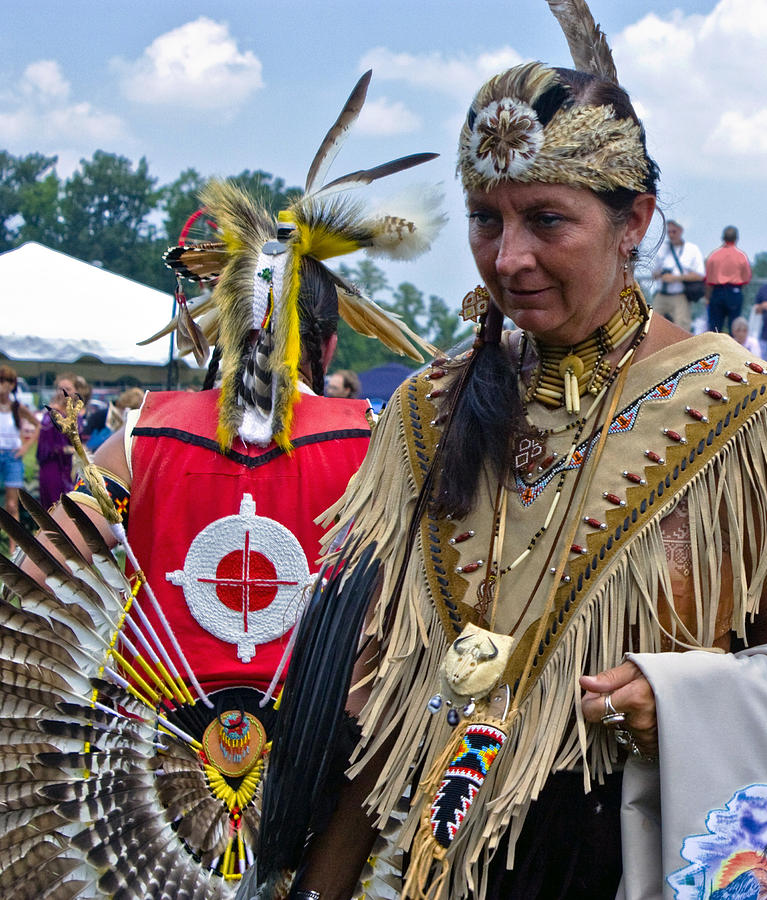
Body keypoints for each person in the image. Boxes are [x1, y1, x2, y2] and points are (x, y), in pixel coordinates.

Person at [271, 14, 767, 900]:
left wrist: (676, 703)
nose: (510, 258)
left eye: (545, 219)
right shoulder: (425, 412)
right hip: (414, 853)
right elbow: (366, 695)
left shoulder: (745, 418)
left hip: (616, 852)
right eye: (484, 220)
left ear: (633, 222)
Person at [0, 70, 443, 897]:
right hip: (326, 773)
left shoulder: (142, 434)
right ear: (326, 338)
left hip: (150, 771)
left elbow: (37, 582)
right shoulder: (379, 443)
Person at [0, 364, 40, 553]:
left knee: (11, 504)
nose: (2, 386)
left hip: (12, 457)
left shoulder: (17, 407)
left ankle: (13, 545)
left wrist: (25, 447)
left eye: (5, 381)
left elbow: (38, 425)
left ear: (12, 384)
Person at [650, 219, 705, 333]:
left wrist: (676, 278)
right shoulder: (662, 248)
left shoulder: (691, 249)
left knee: (682, 328)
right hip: (662, 294)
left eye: (674, 232)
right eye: (669, 232)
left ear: (680, 231)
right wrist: (661, 275)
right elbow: (654, 273)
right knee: (651, 324)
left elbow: (700, 275)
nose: (671, 235)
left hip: (679, 295)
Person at [36, 371, 79, 507]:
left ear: (75, 391)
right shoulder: (52, 414)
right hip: (52, 466)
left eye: (68, 389)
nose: (63, 392)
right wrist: (72, 449)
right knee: (55, 507)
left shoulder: (73, 414)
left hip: (69, 468)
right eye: (60, 389)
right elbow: (48, 446)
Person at [704, 225, 752, 334]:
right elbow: (746, 279)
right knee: (735, 327)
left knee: (715, 327)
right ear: (736, 238)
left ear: (723, 238)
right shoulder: (741, 256)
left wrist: (708, 297)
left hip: (717, 292)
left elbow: (708, 280)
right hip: (734, 291)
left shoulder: (714, 255)